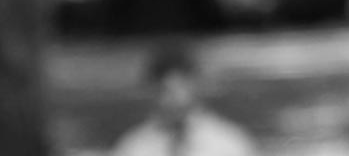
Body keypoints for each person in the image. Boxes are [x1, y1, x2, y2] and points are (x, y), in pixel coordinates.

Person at [111, 41, 259, 156]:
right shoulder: (134, 147)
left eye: (179, 88)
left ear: (197, 85)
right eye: (165, 90)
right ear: (152, 91)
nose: (173, 99)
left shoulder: (229, 143)